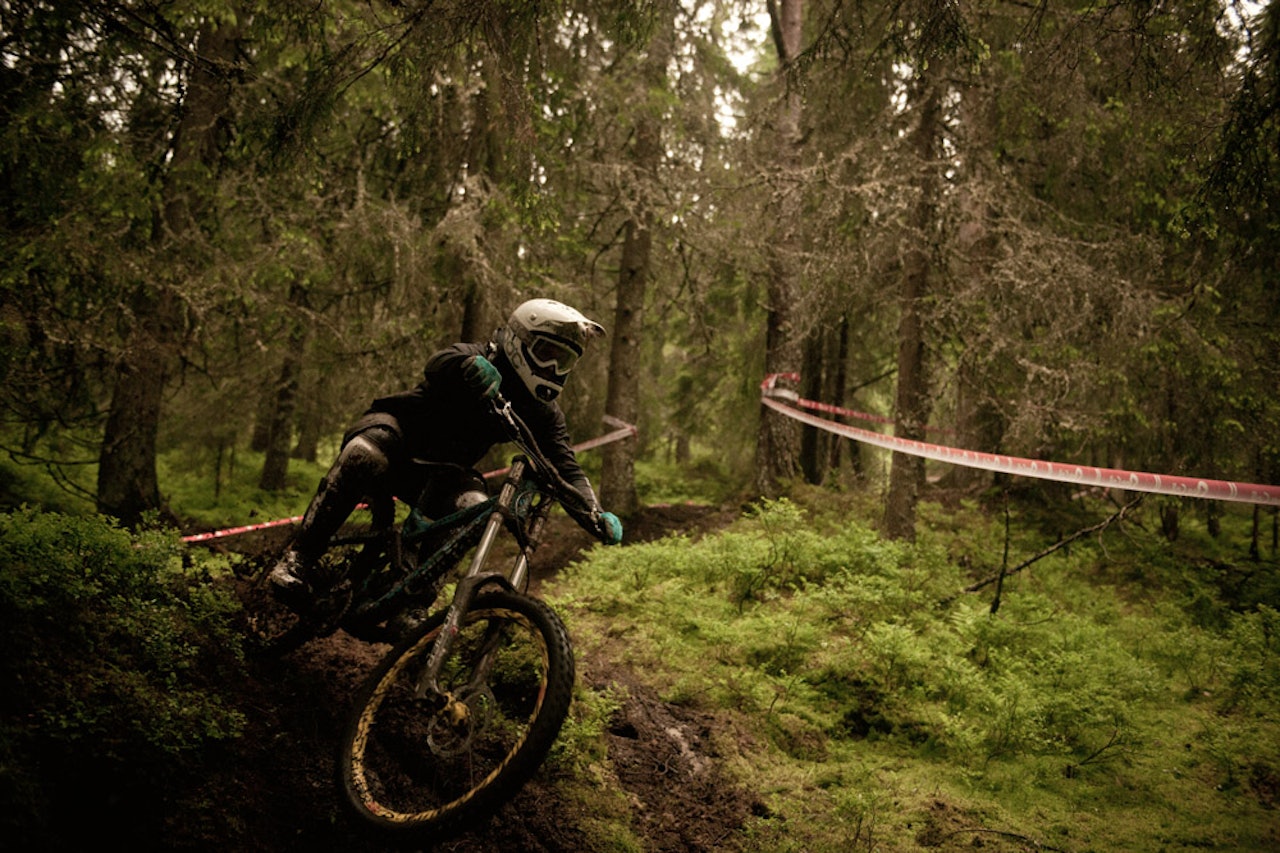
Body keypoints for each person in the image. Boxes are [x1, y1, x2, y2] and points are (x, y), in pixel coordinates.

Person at [268, 297, 623, 605]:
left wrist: (594, 513)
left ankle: (414, 602)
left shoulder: (543, 413)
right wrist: (469, 367)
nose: (554, 369)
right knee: (366, 453)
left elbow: (565, 468)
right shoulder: (480, 357)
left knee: (473, 509)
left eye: (565, 361)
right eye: (548, 354)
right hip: (397, 434)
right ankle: (300, 556)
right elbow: (439, 362)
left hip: (441, 475)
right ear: (520, 341)